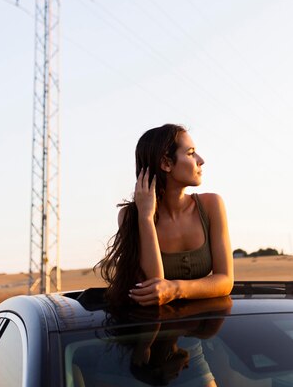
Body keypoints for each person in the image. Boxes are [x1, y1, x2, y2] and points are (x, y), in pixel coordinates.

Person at [97, 123, 233, 306]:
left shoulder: (211, 205)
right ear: (166, 163)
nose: (201, 160)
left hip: (207, 330)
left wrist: (175, 289)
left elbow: (225, 281)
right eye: (191, 153)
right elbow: (153, 290)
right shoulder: (130, 217)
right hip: (159, 331)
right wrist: (146, 218)